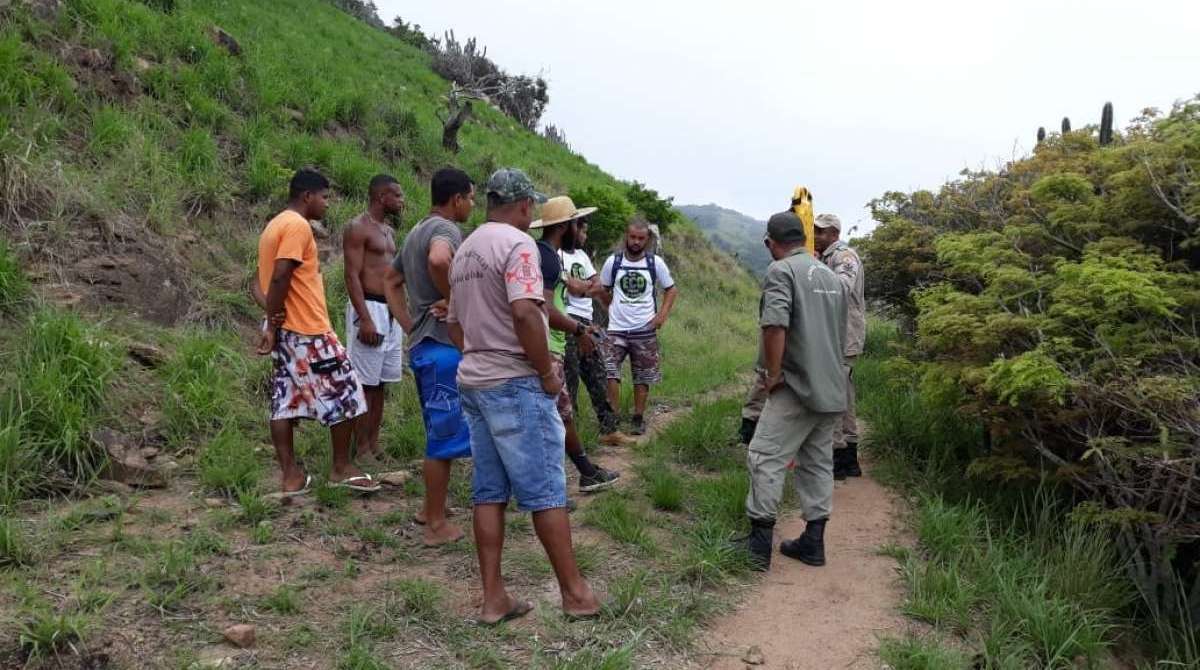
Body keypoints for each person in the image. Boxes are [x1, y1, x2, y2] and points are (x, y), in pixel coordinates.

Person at [446, 168, 599, 624]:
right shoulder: (519, 246)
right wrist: (545, 375)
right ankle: (576, 595)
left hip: (474, 382)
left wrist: (480, 354)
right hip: (515, 383)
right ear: (525, 206)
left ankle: (494, 598)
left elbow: (453, 322)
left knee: (488, 492)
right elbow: (528, 315)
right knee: (546, 491)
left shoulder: (465, 249)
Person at [255, 169, 379, 495]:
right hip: (307, 330)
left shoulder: (274, 225)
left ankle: (291, 476)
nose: (327, 204)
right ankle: (341, 468)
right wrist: (275, 318)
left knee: (285, 401)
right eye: (324, 197)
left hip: (286, 330)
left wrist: (271, 323)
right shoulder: (297, 226)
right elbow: (280, 276)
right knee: (348, 390)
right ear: (307, 196)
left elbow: (258, 282)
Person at [741, 210, 847, 571]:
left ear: (771, 242)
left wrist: (772, 375)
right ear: (802, 239)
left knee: (764, 456)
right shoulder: (831, 277)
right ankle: (813, 543)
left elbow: (774, 326)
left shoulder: (780, 271)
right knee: (817, 463)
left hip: (797, 384)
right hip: (832, 386)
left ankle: (758, 547)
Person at [384, 167, 475, 546]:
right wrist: (457, 302)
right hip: (441, 349)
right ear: (456, 200)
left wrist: (409, 324)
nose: (472, 205)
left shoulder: (414, 232)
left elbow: (390, 281)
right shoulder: (446, 231)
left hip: (424, 346)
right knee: (444, 435)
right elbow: (440, 261)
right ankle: (436, 525)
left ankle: (428, 509)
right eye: (470, 198)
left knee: (440, 432)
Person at [530, 196, 621, 493]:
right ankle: (556, 486)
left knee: (560, 415)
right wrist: (579, 328)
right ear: (565, 226)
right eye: (575, 223)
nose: (580, 229)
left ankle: (582, 473)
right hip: (549, 345)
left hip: (552, 343)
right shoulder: (546, 258)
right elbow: (544, 307)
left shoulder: (550, 255)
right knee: (558, 417)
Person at [557, 216, 636, 447]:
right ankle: (572, 437)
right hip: (566, 319)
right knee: (569, 377)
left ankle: (609, 429)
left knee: (598, 374)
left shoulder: (582, 256)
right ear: (573, 228)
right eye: (583, 231)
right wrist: (584, 288)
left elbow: (597, 285)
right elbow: (572, 286)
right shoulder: (556, 255)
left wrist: (583, 289)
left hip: (588, 322)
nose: (586, 235)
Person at [342, 174, 405, 464]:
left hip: (389, 310)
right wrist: (365, 319)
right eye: (397, 195)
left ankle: (373, 443)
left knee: (381, 383)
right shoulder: (358, 228)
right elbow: (352, 275)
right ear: (382, 197)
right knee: (364, 383)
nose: (401, 201)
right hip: (368, 307)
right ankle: (361, 448)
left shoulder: (389, 231)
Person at [599, 219, 679, 436]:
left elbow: (671, 290)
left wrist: (661, 316)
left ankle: (638, 417)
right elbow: (602, 289)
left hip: (644, 328)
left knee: (643, 376)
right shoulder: (612, 262)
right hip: (615, 328)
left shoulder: (655, 263)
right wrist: (611, 309)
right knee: (609, 371)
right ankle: (612, 417)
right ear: (627, 236)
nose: (635, 242)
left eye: (640, 238)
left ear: (647, 239)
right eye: (632, 237)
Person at [814, 213, 866, 480]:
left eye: (821, 232)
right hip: (835, 335)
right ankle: (846, 458)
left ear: (834, 233)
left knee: (837, 394)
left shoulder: (843, 256)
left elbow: (840, 288)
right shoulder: (825, 257)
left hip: (843, 336)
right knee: (842, 395)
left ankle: (840, 456)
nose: (816, 235)